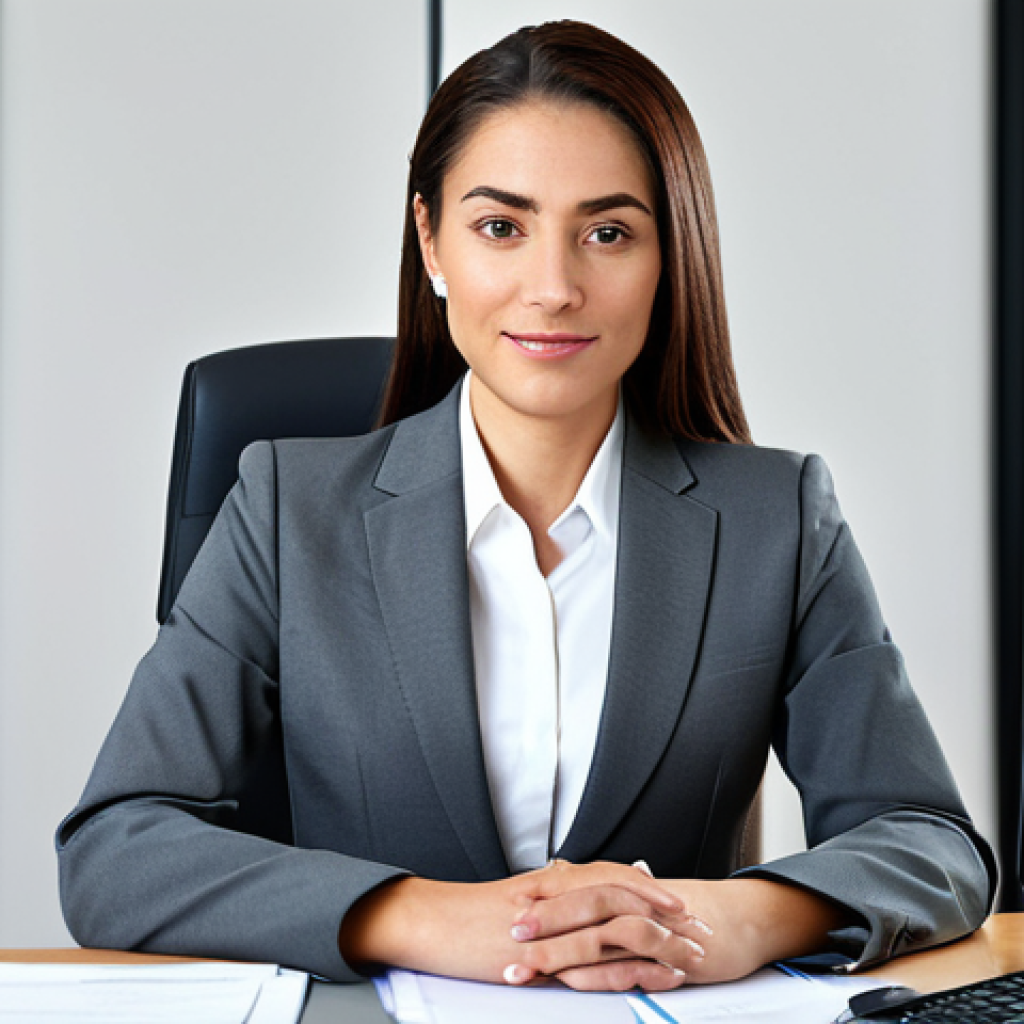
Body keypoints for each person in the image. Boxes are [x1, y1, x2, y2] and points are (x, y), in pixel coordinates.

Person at [57, 21, 995, 992]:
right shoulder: (288, 511)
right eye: (501, 226)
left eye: (608, 232)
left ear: (668, 254)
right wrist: (424, 914)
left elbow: (932, 843)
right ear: (430, 240)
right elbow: (114, 850)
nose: (553, 287)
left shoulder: (778, 520)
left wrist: (735, 914)